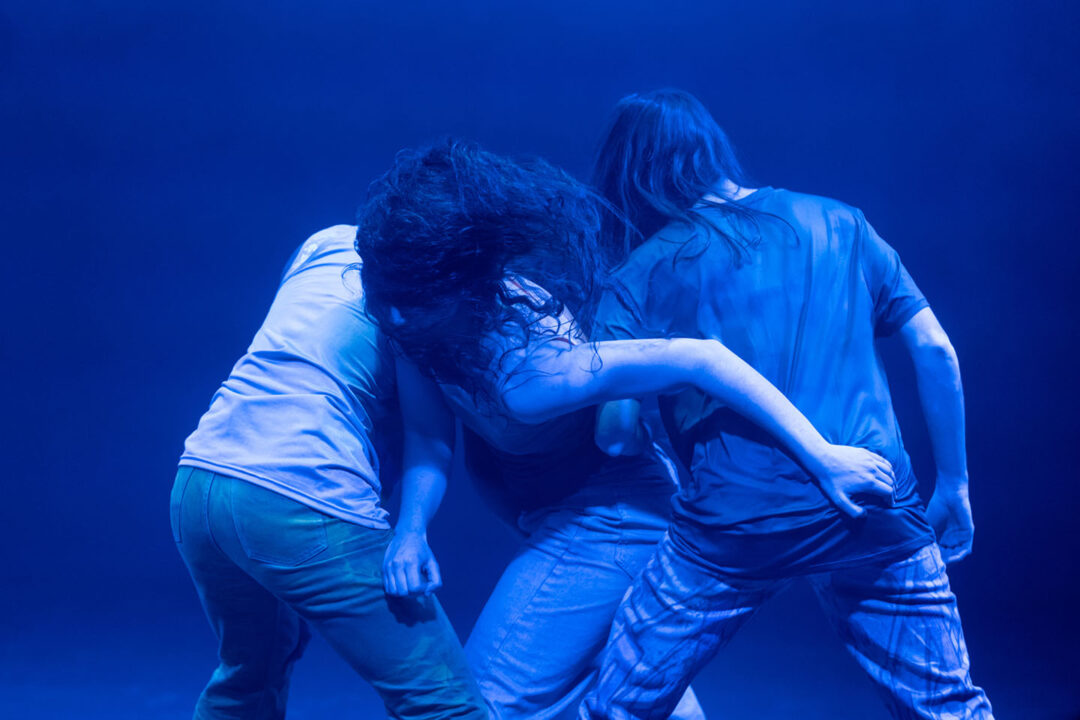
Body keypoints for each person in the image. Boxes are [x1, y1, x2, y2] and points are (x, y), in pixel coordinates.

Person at [354, 140, 897, 720]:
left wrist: (822, 456)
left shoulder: (533, 368)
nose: (394, 314)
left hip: (611, 519)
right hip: (553, 521)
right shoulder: (414, 320)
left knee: (484, 703)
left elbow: (699, 358)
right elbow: (427, 437)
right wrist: (410, 530)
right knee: (628, 690)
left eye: (411, 302)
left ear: (459, 287)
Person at [580, 88, 993, 719]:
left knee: (617, 706)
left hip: (736, 526)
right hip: (876, 503)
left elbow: (614, 434)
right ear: (713, 151)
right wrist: (955, 484)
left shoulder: (638, 275)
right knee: (948, 705)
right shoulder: (841, 222)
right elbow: (936, 351)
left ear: (629, 173)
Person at [171, 225, 488, 720]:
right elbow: (428, 440)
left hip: (200, 483)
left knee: (247, 680)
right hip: (298, 496)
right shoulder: (419, 291)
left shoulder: (328, 239)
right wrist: (410, 533)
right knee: (445, 704)